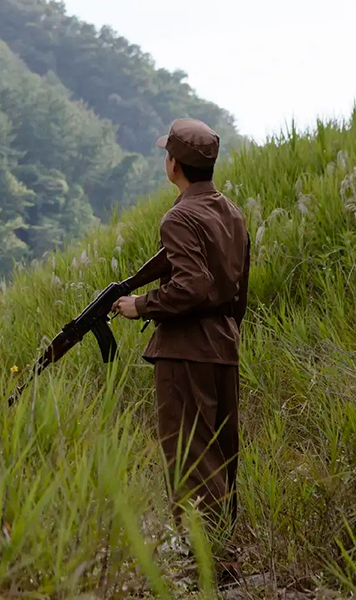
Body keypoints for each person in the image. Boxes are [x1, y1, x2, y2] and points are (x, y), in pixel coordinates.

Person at [110, 118, 251, 580]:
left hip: (186, 351)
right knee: (221, 456)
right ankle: (223, 560)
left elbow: (192, 284)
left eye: (166, 154)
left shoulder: (178, 217)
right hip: (224, 347)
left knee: (191, 460)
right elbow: (237, 290)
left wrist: (141, 305)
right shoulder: (230, 212)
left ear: (174, 164)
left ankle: (203, 570)